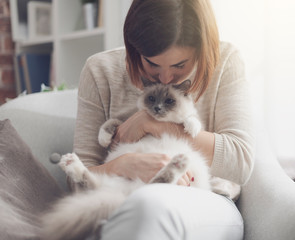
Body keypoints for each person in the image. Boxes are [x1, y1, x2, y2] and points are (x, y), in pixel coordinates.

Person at [73, 0, 255, 239]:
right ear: (134, 47)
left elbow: (241, 163)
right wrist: (121, 165)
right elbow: (78, 180)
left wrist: (152, 123)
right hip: (123, 193)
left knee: (148, 210)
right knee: (136, 212)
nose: (166, 77)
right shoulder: (100, 70)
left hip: (205, 199)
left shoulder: (226, 60)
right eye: (152, 64)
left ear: (202, 48)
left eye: (180, 65)